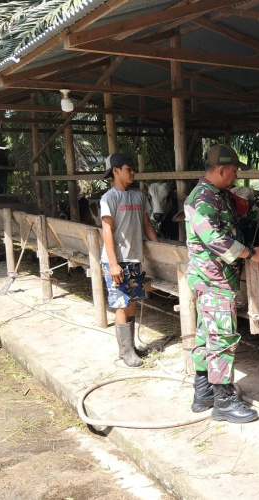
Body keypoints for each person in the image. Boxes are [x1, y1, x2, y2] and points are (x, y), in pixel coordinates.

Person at [185, 144, 259, 423]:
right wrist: (251, 254)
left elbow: (248, 208)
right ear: (221, 169)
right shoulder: (201, 199)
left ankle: (203, 393)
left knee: (206, 335)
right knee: (222, 337)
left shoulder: (221, 195)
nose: (236, 176)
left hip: (213, 278)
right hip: (213, 280)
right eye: (235, 171)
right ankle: (224, 402)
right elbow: (213, 239)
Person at [99, 153, 159, 367]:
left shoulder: (138, 196)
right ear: (115, 170)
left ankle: (131, 347)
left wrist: (159, 248)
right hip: (116, 260)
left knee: (131, 302)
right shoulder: (109, 198)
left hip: (134, 258)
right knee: (121, 304)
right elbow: (107, 231)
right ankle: (125, 352)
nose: (132, 172)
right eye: (128, 168)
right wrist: (113, 263)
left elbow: (147, 224)